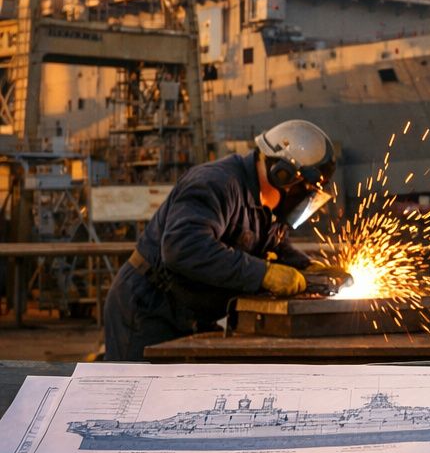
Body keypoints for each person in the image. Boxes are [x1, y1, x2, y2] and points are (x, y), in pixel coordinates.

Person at [103, 119, 340, 360]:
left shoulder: (268, 204)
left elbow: (271, 244)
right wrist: (262, 274)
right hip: (149, 306)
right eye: (304, 191)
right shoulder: (216, 183)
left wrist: (305, 267)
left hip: (193, 311)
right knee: (140, 393)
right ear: (282, 174)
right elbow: (183, 248)